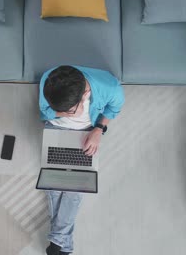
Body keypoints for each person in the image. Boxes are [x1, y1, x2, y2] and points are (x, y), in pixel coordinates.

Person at [39, 65, 125, 255]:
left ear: (85, 94)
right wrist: (61, 114)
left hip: (86, 131)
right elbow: (45, 112)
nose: (68, 113)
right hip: (56, 128)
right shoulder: (49, 81)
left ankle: (59, 242)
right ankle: (62, 244)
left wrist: (98, 130)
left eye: (70, 109)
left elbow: (114, 108)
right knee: (53, 184)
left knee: (75, 187)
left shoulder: (110, 87)